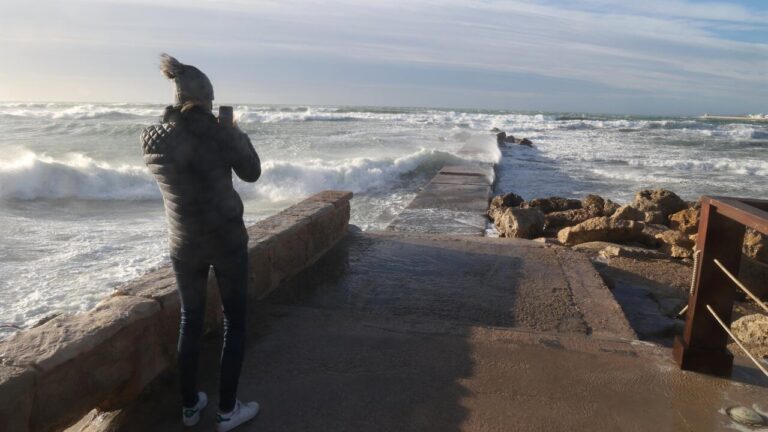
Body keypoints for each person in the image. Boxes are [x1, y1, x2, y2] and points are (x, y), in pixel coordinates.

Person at [140, 53, 261, 431]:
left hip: (183, 243)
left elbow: (183, 158)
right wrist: (234, 130)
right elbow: (252, 172)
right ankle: (228, 411)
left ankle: (190, 407)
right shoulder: (219, 132)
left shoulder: (151, 137)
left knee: (189, 321)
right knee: (235, 323)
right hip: (225, 240)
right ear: (208, 99)